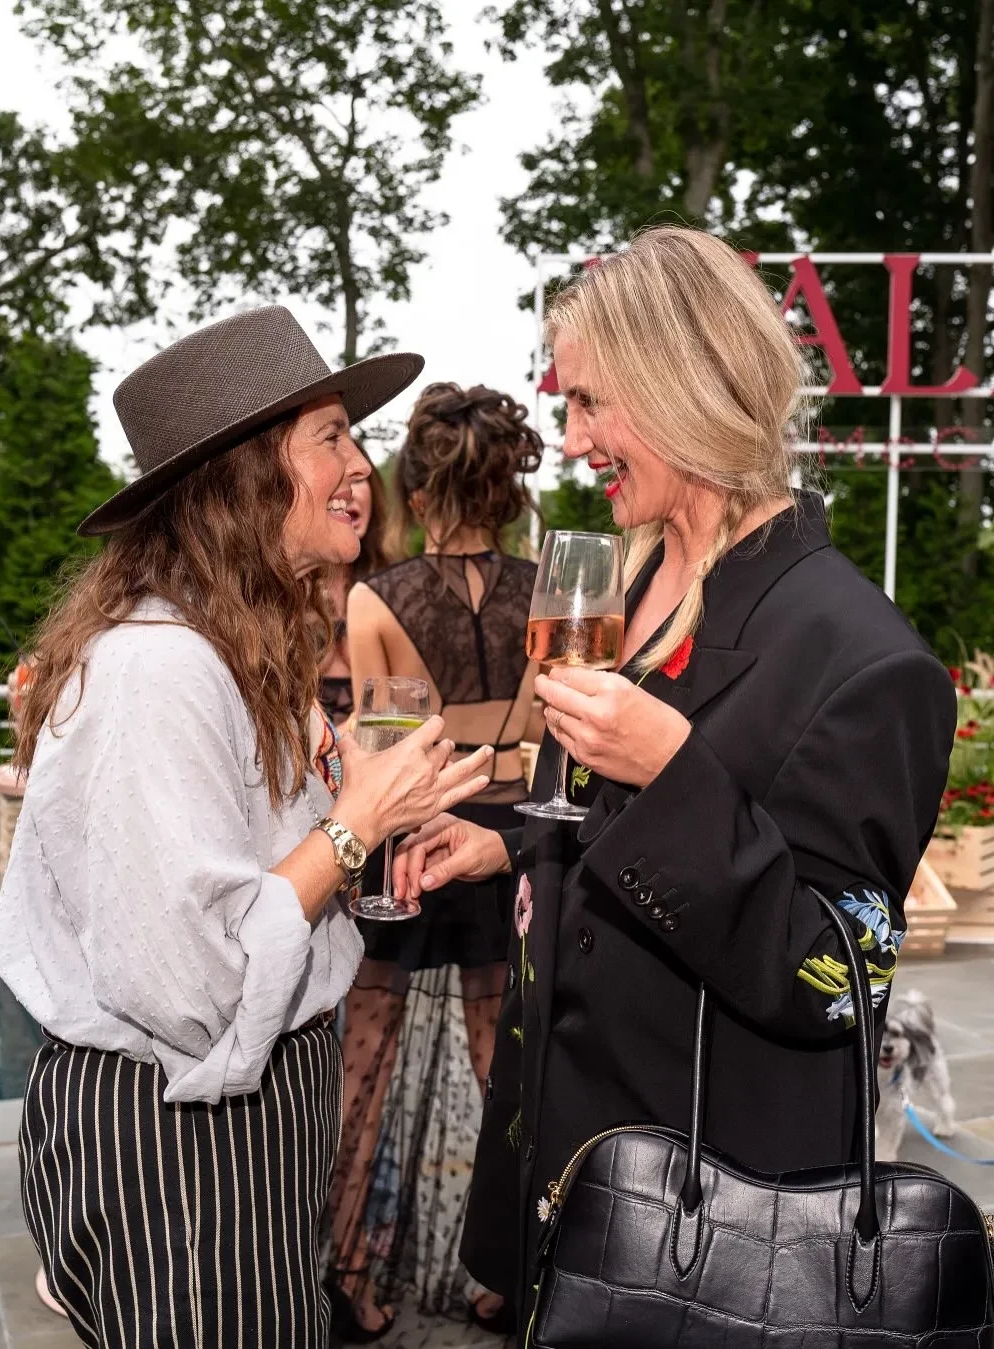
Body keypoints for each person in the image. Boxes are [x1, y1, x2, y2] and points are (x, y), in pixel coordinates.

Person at [392, 227, 957, 1336]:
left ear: (683, 385)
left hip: (705, 1231)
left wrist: (673, 772)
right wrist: (511, 846)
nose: (570, 439)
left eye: (591, 403)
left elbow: (834, 977)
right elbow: (603, 816)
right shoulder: (634, 580)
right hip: (564, 1172)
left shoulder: (867, 660)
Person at [0, 306, 494, 1349]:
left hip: (249, 1113)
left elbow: (276, 859)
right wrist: (353, 827)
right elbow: (193, 982)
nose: (362, 466)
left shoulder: (240, 650)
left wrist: (378, 814)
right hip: (183, 1136)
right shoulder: (158, 668)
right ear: (247, 476)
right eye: (332, 437)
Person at [325, 382, 543, 1340]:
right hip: (506, 842)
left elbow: (388, 753)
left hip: (416, 844)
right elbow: (548, 743)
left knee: (364, 1062)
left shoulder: (377, 597)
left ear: (418, 491)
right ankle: (513, 1275)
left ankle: (351, 1278)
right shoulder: (551, 593)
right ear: (504, 489)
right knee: (504, 1064)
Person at [319, 448, 393, 727]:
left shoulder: (395, 590)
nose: (349, 492)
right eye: (338, 480)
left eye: (358, 480)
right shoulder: (284, 589)